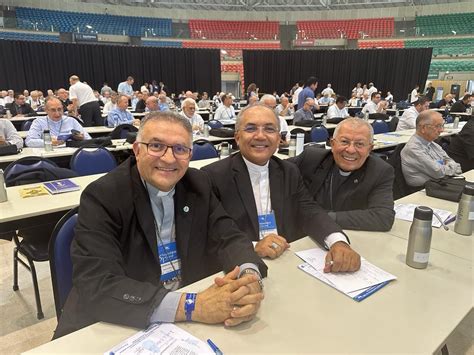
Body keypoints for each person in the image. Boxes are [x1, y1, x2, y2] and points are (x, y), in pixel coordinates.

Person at [53, 111, 266, 338]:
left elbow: (230, 236)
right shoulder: (104, 196)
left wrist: (250, 278)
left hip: (188, 325)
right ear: (136, 150)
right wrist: (194, 305)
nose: (168, 158)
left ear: (190, 155)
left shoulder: (198, 184)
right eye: (156, 146)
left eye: (180, 149)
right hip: (118, 321)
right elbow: (97, 284)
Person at [202, 103, 361, 270]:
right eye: (250, 129)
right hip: (241, 263)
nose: (260, 136)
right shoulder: (214, 176)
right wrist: (253, 246)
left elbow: (309, 211)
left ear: (279, 138)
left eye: (269, 129)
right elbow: (213, 233)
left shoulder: (289, 171)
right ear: (237, 137)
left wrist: (338, 242)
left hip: (285, 258)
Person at [290, 118, 395, 231]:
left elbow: (383, 217)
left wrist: (321, 217)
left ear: (370, 149)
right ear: (332, 144)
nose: (350, 150)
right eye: (344, 141)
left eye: (359, 144)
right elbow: (275, 169)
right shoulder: (311, 158)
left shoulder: (380, 171)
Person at [401, 110, 462, 187]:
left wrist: (447, 168)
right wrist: (449, 167)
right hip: (422, 190)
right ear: (423, 128)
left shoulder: (432, 144)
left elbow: (454, 164)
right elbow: (438, 173)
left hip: (440, 184)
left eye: (442, 126)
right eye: (438, 126)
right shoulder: (413, 149)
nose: (441, 130)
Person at [25, 98, 91, 148]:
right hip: (49, 156)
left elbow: (88, 139)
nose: (57, 114)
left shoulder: (71, 121)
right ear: (46, 110)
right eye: (53, 110)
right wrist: (49, 142)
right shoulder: (38, 122)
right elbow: (29, 141)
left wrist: (81, 138)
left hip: (70, 154)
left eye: (59, 109)